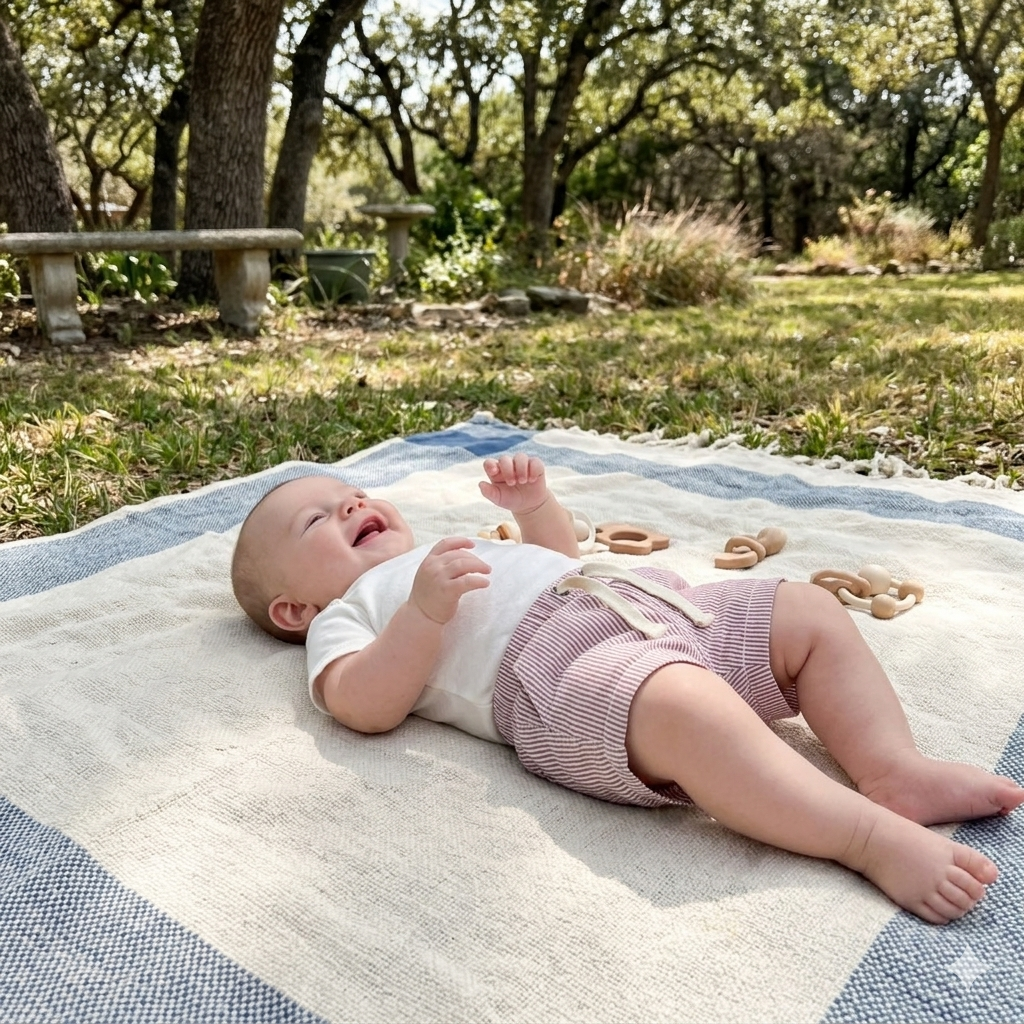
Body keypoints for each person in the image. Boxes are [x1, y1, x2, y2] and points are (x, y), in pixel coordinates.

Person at [231, 452, 1024, 925]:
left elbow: (559, 558)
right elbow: (362, 705)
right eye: (320, 521)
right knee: (688, 708)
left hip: (649, 601)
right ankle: (863, 837)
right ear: (294, 608)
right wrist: (422, 615)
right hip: (556, 676)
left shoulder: (452, 543)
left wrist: (536, 509)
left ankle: (890, 766)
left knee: (806, 610)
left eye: (353, 496)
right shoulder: (347, 614)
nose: (353, 506)